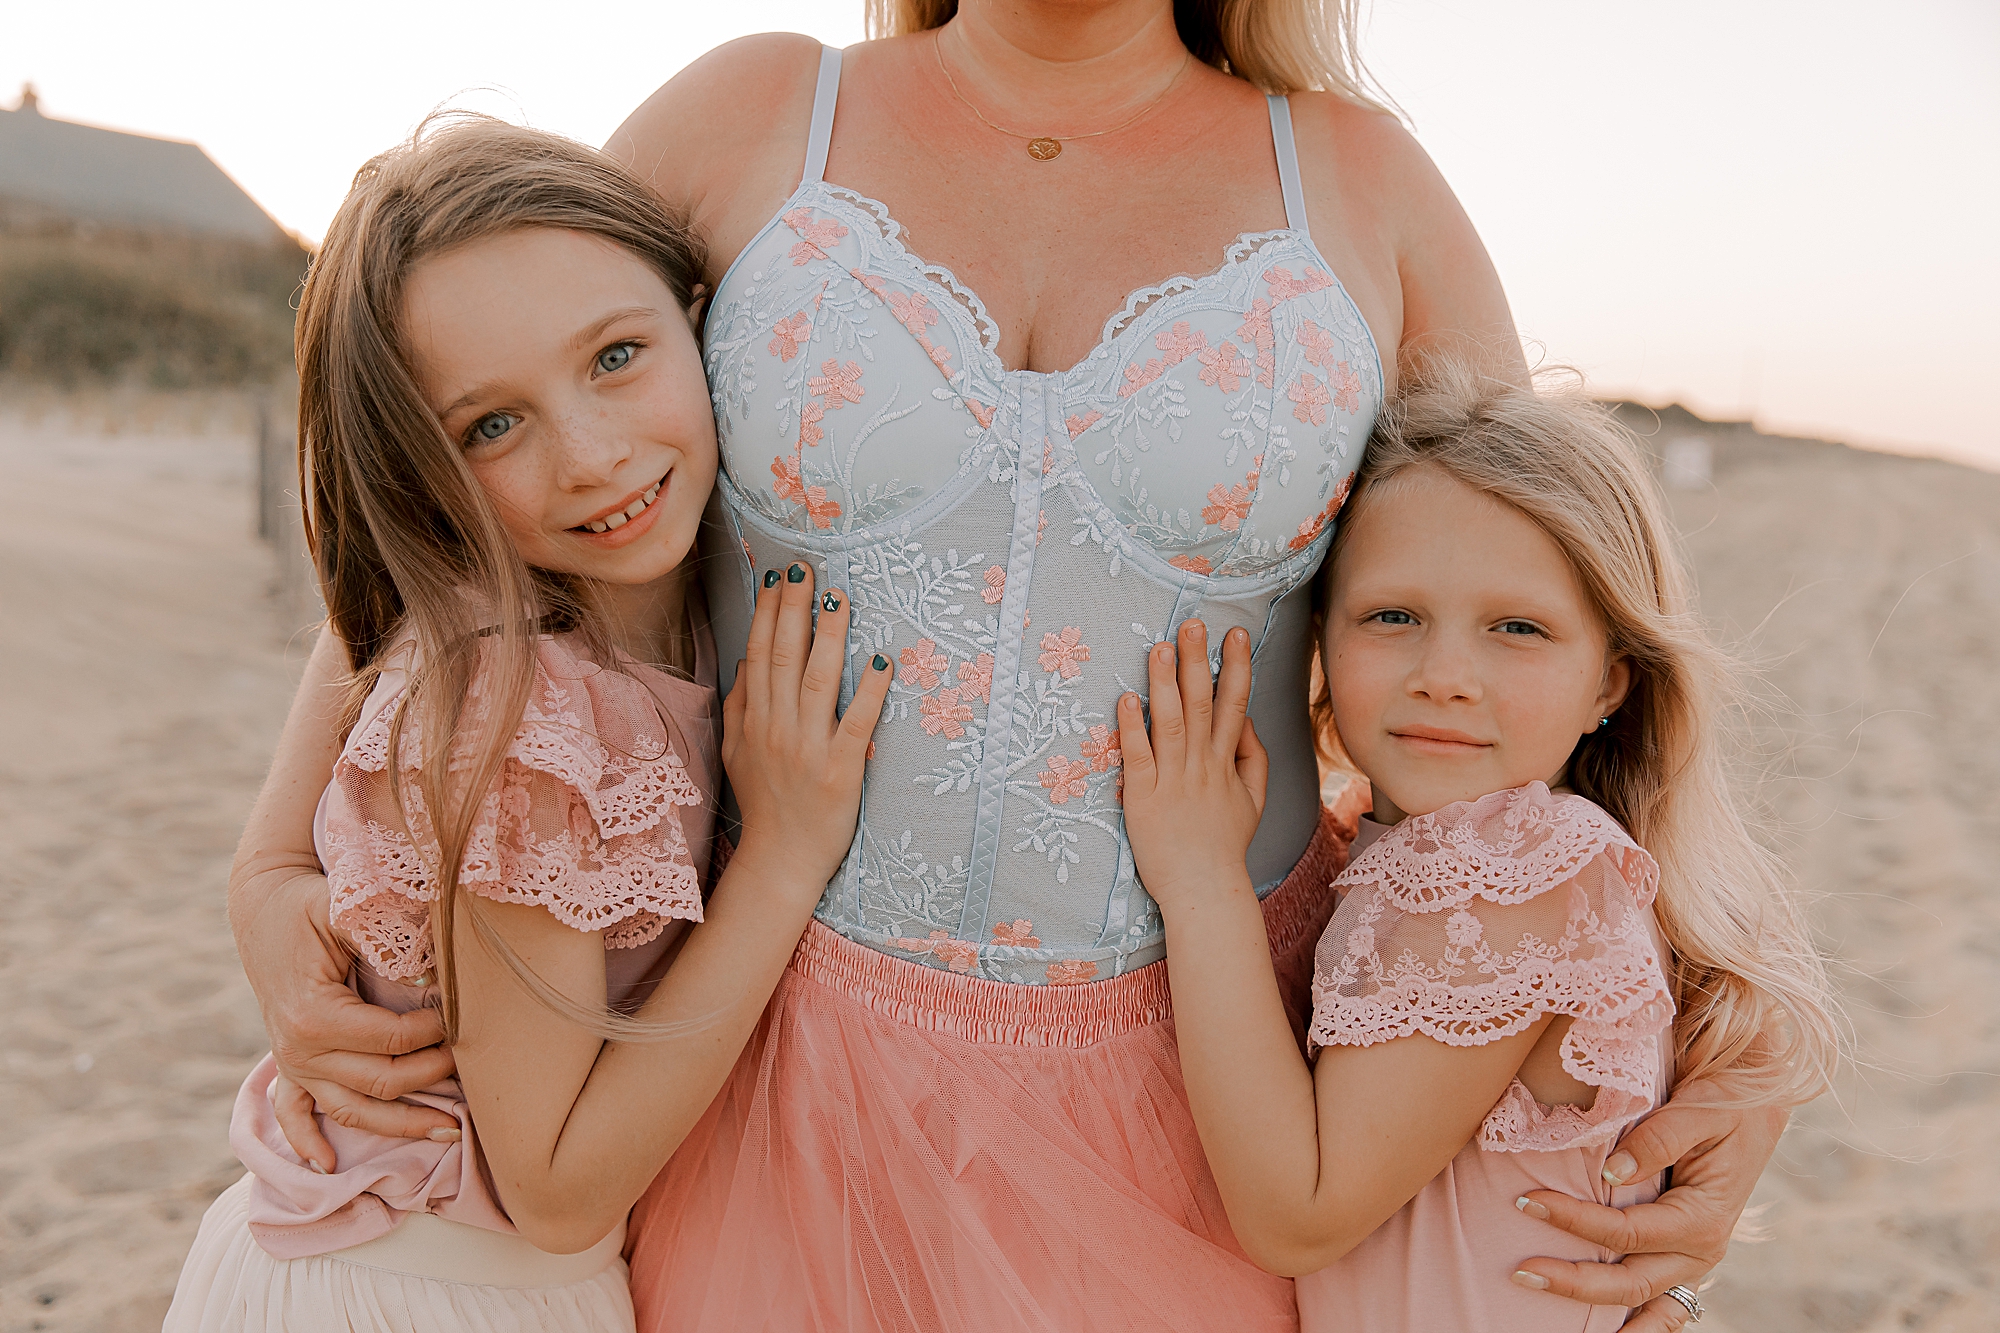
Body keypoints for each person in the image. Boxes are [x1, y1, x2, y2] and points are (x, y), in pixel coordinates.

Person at [233, 5, 1791, 1329]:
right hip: (759, 1063)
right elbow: (454, 483)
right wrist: (266, 856)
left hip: (1213, 1091)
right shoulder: (761, 114)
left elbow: (1543, 621)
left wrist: (1731, 1030)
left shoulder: (1362, 188)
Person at [166, 117, 892, 1330]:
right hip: (424, 1290)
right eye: (491, 426)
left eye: (615, 355)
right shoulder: (527, 719)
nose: (594, 456)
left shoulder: (654, 614)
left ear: (704, 314)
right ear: (423, 475)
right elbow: (551, 1181)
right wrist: (784, 852)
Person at [1118, 361, 1839, 1331]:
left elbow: (1298, 1215)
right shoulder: (1435, 854)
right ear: (1319, 640)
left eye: (1516, 627)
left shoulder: (1509, 869)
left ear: (1608, 685)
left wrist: (1201, 881)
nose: (1444, 675)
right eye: (1392, 616)